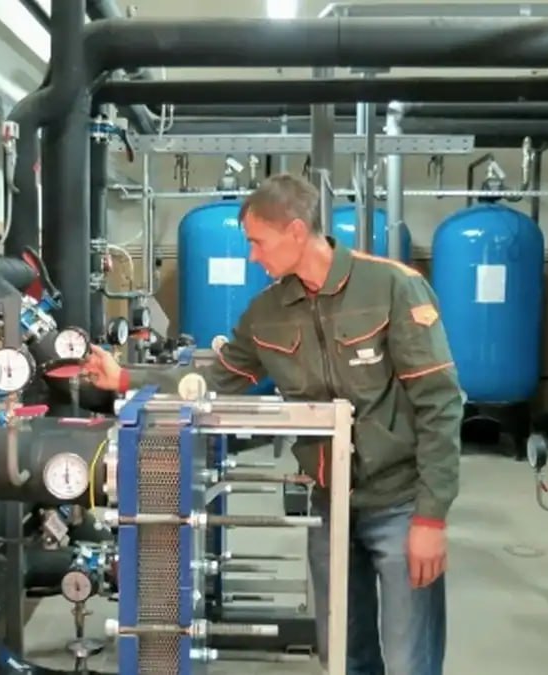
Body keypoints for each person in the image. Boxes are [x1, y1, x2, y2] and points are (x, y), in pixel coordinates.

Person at [82, 173, 463, 675]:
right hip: (331, 505)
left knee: (411, 658)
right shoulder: (268, 313)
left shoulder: (391, 287)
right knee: (344, 656)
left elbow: (439, 403)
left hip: (399, 503)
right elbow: (214, 379)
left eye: (258, 242)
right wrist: (124, 377)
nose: (252, 256)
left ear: (297, 232)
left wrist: (430, 517)